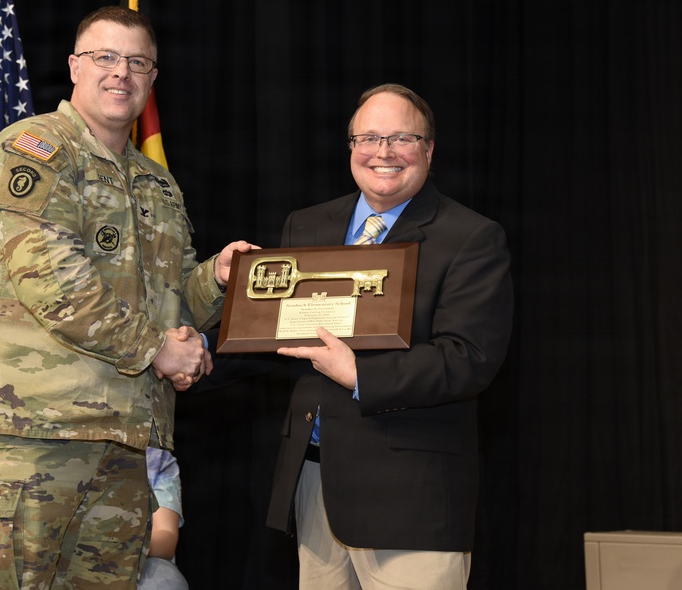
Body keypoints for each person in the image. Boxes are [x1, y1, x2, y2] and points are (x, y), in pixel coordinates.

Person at [0, 5, 254, 589]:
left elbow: (172, 302)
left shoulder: (156, 183)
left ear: (153, 78)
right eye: (104, 57)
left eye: (138, 62)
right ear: (74, 67)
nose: (121, 73)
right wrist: (160, 349)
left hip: (128, 446)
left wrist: (219, 279)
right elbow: (53, 281)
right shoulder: (34, 150)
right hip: (33, 436)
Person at [208, 83, 514, 589]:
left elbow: (469, 358)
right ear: (351, 147)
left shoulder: (471, 237)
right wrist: (195, 354)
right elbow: (274, 333)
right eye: (368, 137)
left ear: (429, 150)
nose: (383, 152)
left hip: (411, 498)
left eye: (401, 138)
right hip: (314, 484)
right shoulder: (307, 226)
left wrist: (359, 374)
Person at [137, 448, 189, 590]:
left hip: (135, 557)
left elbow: (165, 538)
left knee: (164, 580)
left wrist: (124, 545)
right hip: (74, 559)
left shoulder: (155, 459)